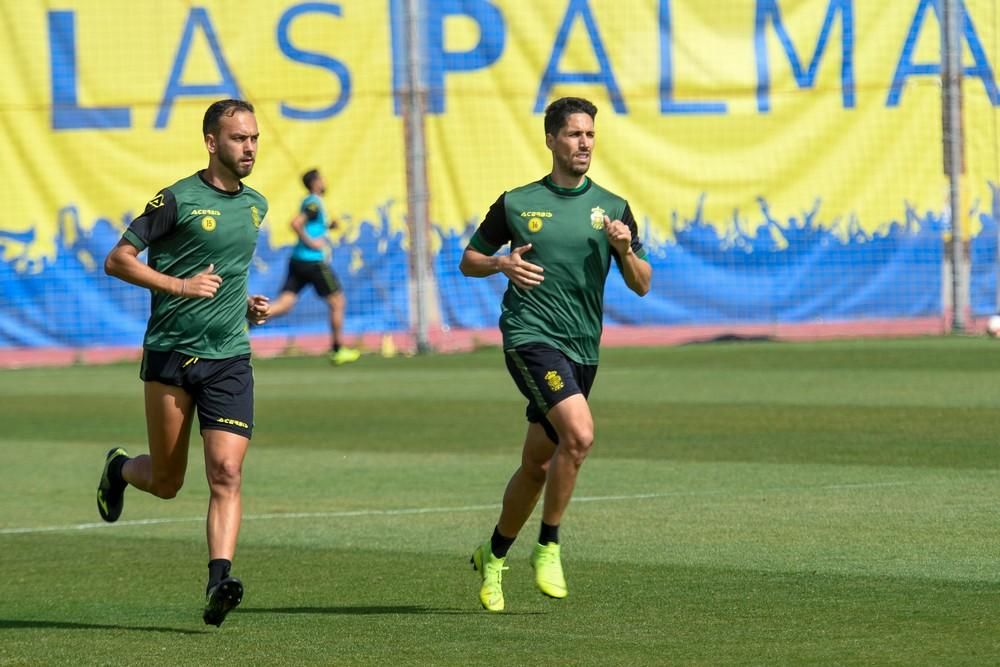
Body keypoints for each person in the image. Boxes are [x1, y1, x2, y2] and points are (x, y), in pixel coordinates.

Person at [459, 97, 652, 612]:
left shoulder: (613, 208)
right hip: (530, 337)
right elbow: (468, 260)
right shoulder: (518, 203)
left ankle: (493, 555)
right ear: (550, 140)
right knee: (581, 434)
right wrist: (501, 264)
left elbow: (642, 285)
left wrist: (625, 250)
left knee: (537, 466)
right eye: (573, 134)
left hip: (583, 350)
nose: (584, 143)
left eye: (590, 134)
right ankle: (548, 544)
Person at [98, 99, 271, 628]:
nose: (249, 147)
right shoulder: (175, 199)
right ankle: (120, 469)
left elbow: (227, 273)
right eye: (239, 138)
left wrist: (245, 304)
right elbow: (117, 259)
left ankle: (220, 579)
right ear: (211, 142)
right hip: (172, 355)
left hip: (229, 359)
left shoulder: (256, 205)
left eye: (254, 138)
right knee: (169, 481)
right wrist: (180, 286)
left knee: (227, 472)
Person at [267, 168, 360, 365]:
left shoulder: (313, 202)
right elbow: (296, 223)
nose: (325, 181)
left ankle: (245, 324)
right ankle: (338, 349)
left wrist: (328, 227)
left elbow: (310, 224)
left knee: (284, 304)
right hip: (312, 261)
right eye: (322, 178)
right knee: (338, 302)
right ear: (316, 182)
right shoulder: (313, 203)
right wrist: (312, 242)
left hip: (299, 260)